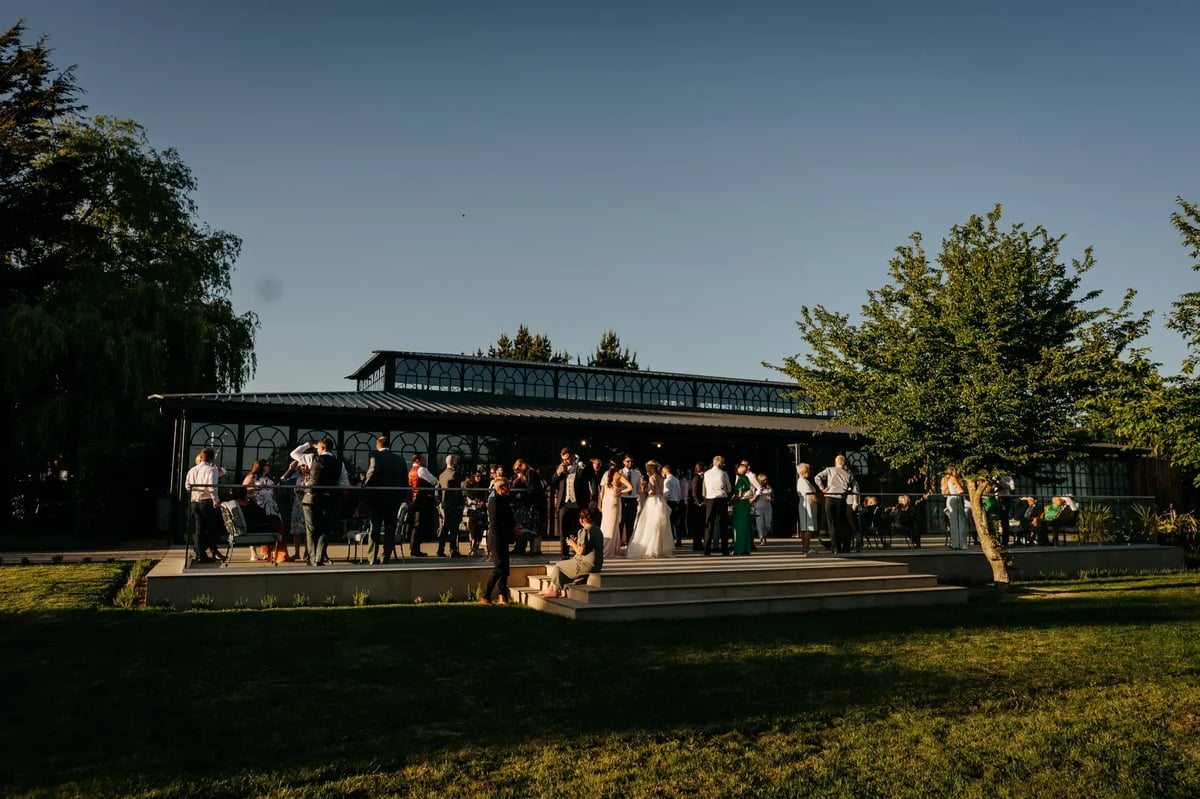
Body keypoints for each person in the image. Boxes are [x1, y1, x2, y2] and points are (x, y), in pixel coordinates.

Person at [291, 437, 343, 566]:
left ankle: (312, 559)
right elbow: (343, 482)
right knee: (324, 530)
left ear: (322, 447)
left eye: (318, 447)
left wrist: (308, 444)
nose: (317, 449)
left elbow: (294, 454)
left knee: (311, 529)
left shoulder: (312, 458)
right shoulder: (339, 463)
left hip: (311, 497)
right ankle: (319, 559)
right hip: (329, 498)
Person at [539, 508, 604, 598]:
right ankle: (551, 588)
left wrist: (572, 544)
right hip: (597, 564)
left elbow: (581, 551)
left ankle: (554, 590)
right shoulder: (598, 530)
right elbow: (589, 547)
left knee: (558, 565)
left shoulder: (584, 531)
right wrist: (576, 543)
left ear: (581, 519)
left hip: (585, 564)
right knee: (564, 567)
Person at [363, 436, 406, 564]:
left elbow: (372, 471)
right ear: (390, 445)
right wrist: (401, 496)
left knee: (374, 527)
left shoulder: (375, 456)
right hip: (393, 499)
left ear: (378, 445)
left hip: (376, 498)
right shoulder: (400, 459)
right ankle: (385, 556)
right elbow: (405, 480)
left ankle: (372, 557)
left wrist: (365, 487)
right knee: (390, 527)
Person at [480, 478, 519, 605]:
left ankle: (502, 595)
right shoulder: (495, 501)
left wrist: (514, 527)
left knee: (505, 568)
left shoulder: (503, 500)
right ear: (500, 488)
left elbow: (509, 518)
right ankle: (485, 595)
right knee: (499, 568)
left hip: (503, 537)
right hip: (496, 538)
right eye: (506, 487)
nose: (508, 489)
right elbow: (495, 523)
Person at [551, 447, 594, 559]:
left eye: (568, 459)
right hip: (564, 503)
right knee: (563, 529)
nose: (566, 461)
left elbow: (593, 480)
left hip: (579, 502)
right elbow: (554, 482)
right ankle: (564, 554)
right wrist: (558, 472)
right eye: (564, 459)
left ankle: (578, 552)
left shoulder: (583, 465)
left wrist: (593, 498)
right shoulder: (561, 467)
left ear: (573, 455)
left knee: (579, 529)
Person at [627, 460, 674, 559]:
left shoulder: (652, 477)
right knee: (660, 526)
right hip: (661, 501)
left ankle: (651, 549)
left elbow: (652, 492)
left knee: (650, 525)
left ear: (651, 468)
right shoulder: (661, 477)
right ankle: (660, 549)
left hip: (653, 501)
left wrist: (645, 489)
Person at [185, 447, 224, 563]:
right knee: (211, 528)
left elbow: (187, 486)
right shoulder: (211, 470)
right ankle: (208, 551)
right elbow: (212, 486)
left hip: (195, 501)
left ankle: (200, 553)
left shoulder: (192, 470)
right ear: (211, 458)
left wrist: (197, 488)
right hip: (206, 502)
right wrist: (216, 500)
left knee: (199, 528)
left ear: (201, 457)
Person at [814, 455, 859, 553]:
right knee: (841, 523)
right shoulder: (848, 473)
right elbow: (855, 487)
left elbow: (817, 477)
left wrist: (822, 488)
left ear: (836, 462)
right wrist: (853, 497)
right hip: (842, 499)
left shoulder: (830, 470)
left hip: (830, 497)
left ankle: (835, 546)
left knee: (832, 523)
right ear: (844, 463)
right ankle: (844, 545)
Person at [242, 459, 284, 560]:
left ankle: (270, 552)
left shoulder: (269, 478)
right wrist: (255, 487)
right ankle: (253, 552)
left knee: (273, 526)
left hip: (270, 505)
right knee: (255, 527)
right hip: (256, 505)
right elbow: (242, 490)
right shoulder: (253, 476)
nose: (268, 467)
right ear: (261, 466)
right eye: (267, 465)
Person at [598, 459, 633, 559]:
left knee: (605, 525)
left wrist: (600, 503)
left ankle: (605, 549)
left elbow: (602, 492)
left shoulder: (605, 474)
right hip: (614, 502)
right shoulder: (619, 475)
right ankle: (609, 551)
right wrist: (621, 491)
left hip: (606, 502)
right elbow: (630, 487)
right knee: (613, 526)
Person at [407, 453, 439, 557]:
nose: (424, 460)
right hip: (422, 499)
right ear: (417, 460)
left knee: (416, 524)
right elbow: (434, 481)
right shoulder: (421, 470)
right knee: (420, 524)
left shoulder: (411, 471)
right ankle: (416, 548)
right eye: (423, 458)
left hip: (414, 499)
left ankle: (413, 547)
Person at [702, 455, 732, 556]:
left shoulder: (706, 473)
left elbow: (704, 487)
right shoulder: (723, 473)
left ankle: (706, 549)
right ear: (719, 463)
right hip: (721, 499)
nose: (724, 464)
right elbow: (729, 489)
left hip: (710, 499)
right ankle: (725, 549)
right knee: (723, 525)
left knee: (709, 524)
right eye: (723, 463)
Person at [436, 454, 464, 558]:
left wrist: (439, 502)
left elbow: (437, 490)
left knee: (445, 527)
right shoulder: (455, 474)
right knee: (454, 528)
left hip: (445, 504)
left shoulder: (442, 475)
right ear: (454, 462)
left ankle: (440, 548)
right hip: (454, 505)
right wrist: (461, 504)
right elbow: (458, 491)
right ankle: (453, 549)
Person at [795, 463, 820, 556]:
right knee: (807, 527)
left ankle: (805, 547)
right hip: (807, 505)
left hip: (808, 504)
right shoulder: (802, 481)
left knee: (805, 527)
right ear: (804, 472)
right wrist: (820, 501)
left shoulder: (804, 481)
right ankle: (806, 547)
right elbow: (811, 495)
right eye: (808, 470)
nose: (809, 472)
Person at [461, 470, 488, 555]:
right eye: (477, 476)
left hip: (481, 510)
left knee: (480, 527)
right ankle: (472, 545)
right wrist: (477, 500)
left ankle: (476, 545)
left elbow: (485, 495)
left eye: (480, 476)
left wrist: (483, 501)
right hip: (472, 509)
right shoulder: (469, 484)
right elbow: (467, 494)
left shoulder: (482, 485)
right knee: (472, 527)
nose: (479, 478)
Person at [618, 454, 641, 549]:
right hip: (623, 498)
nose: (630, 463)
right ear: (623, 462)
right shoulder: (620, 472)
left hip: (633, 499)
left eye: (631, 461)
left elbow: (638, 488)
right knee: (621, 522)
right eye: (627, 461)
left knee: (630, 523)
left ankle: (629, 543)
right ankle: (619, 543)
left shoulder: (636, 474)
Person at [730, 463, 753, 555]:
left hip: (740, 505)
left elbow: (739, 495)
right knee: (746, 527)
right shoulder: (746, 478)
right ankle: (746, 548)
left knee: (739, 528)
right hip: (746, 504)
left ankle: (738, 549)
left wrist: (730, 502)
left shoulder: (740, 480)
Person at [942, 467, 968, 549]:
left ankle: (955, 543)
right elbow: (960, 490)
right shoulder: (953, 478)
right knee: (961, 522)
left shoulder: (944, 479)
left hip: (949, 499)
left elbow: (944, 492)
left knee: (953, 523)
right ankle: (962, 544)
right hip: (956, 499)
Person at [662, 464, 686, 547]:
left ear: (666, 470)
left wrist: (664, 500)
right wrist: (678, 500)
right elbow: (679, 493)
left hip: (669, 502)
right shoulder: (676, 480)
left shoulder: (667, 480)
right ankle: (678, 539)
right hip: (676, 502)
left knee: (669, 522)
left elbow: (666, 493)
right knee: (676, 522)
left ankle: (671, 540)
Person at [689, 462, 707, 551]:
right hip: (698, 505)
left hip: (701, 503)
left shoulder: (701, 477)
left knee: (700, 525)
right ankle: (696, 544)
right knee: (698, 525)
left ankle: (699, 543)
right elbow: (694, 491)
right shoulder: (697, 478)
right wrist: (699, 502)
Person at [753, 473, 773, 546]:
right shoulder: (756, 488)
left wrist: (770, 499)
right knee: (760, 524)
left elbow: (773, 497)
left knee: (768, 524)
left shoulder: (769, 488)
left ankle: (764, 535)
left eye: (766, 480)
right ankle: (762, 538)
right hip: (759, 507)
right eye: (764, 480)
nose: (765, 481)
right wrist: (758, 493)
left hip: (767, 507)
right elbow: (754, 499)